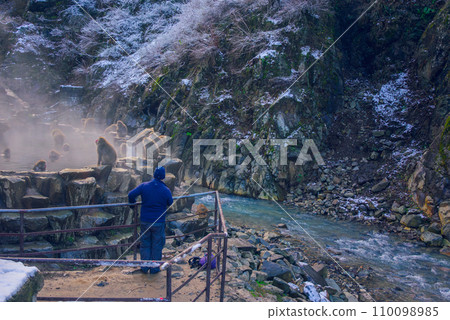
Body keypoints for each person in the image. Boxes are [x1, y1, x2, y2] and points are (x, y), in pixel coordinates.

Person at [128, 167, 173, 274]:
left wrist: (132, 205)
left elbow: (131, 195)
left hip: (145, 221)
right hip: (159, 222)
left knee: (145, 244)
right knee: (157, 245)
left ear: (153, 175)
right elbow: (170, 202)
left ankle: (144, 267)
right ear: (163, 177)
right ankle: (154, 268)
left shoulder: (144, 186)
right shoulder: (166, 190)